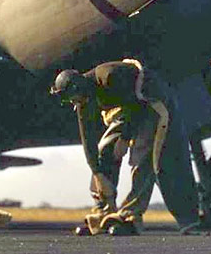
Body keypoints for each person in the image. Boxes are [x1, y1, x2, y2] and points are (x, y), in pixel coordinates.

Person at [50, 59, 201, 236]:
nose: (75, 103)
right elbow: (88, 138)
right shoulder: (83, 98)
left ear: (80, 88)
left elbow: (137, 106)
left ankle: (131, 217)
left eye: (75, 99)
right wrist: (98, 173)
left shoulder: (109, 76)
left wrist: (125, 138)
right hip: (130, 110)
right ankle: (103, 211)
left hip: (152, 104)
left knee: (142, 156)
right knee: (104, 149)